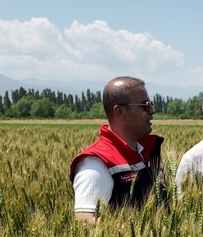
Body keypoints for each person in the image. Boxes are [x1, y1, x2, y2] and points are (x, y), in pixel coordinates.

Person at [70, 76, 167, 223]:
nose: (152, 110)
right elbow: (85, 220)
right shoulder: (96, 163)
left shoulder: (149, 151)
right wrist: (133, 234)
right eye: (145, 105)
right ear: (120, 111)